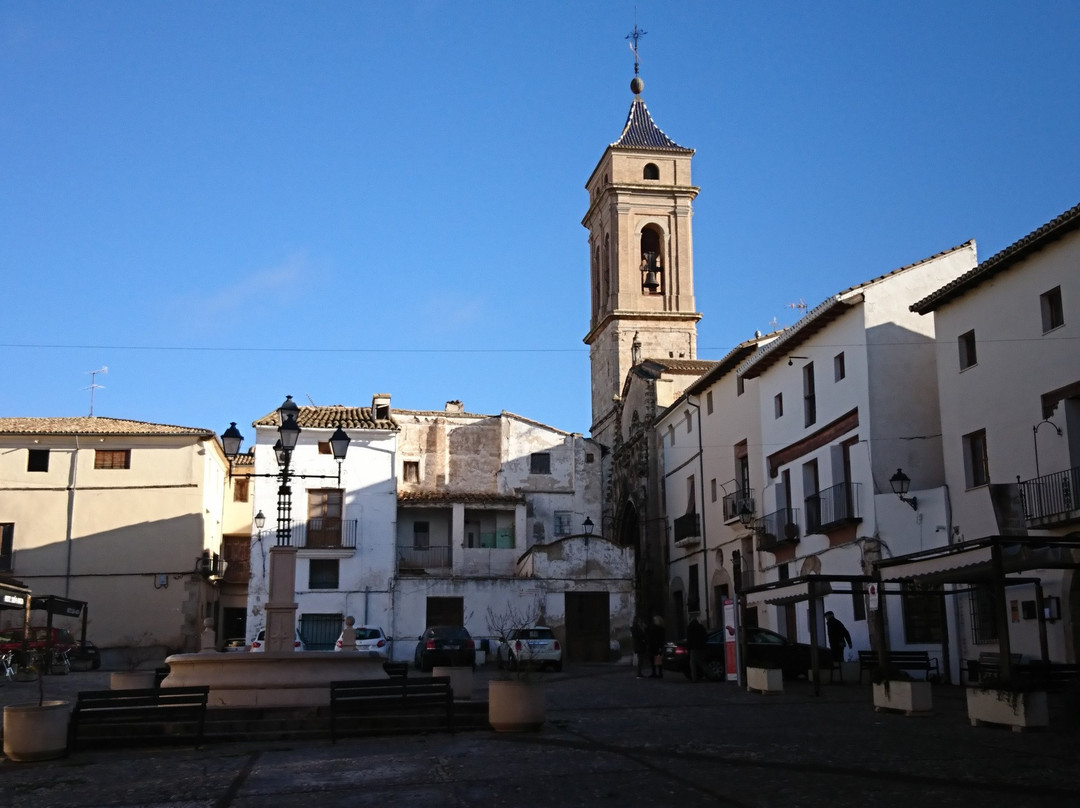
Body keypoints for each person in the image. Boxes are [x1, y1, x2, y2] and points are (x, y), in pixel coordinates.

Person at [686, 616, 707, 682]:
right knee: (700, 662)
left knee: (693, 663)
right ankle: (711, 674)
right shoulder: (701, 627)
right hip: (701, 647)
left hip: (694, 648)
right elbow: (705, 636)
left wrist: (688, 648)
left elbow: (689, 639)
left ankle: (694, 678)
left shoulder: (690, 628)